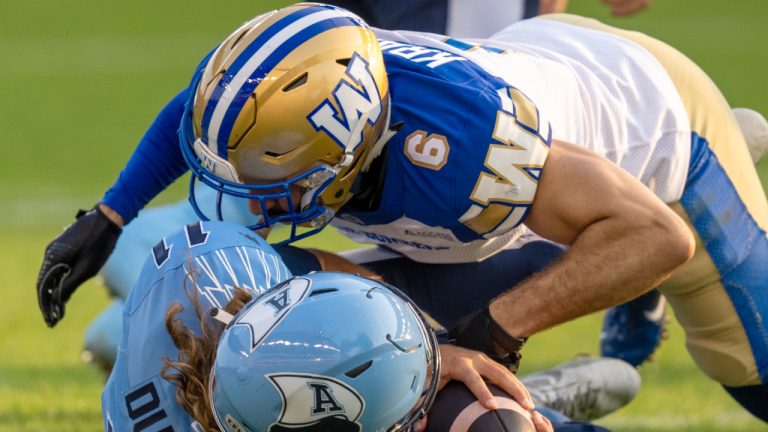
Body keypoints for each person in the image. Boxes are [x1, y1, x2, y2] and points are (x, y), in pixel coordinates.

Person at [37, 3, 767, 422]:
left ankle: (699, 192)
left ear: (351, 144)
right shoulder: (310, 77)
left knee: (746, 365)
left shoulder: (464, 155)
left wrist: (494, 333)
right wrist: (109, 214)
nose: (256, 196)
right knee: (333, 354)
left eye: (277, 171)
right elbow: (194, 111)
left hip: (660, 136)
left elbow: (653, 235)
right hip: (505, 186)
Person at [103, 220, 633, 431]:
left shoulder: (225, 264)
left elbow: (319, 273)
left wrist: (426, 347)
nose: (417, 424)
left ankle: (529, 402)